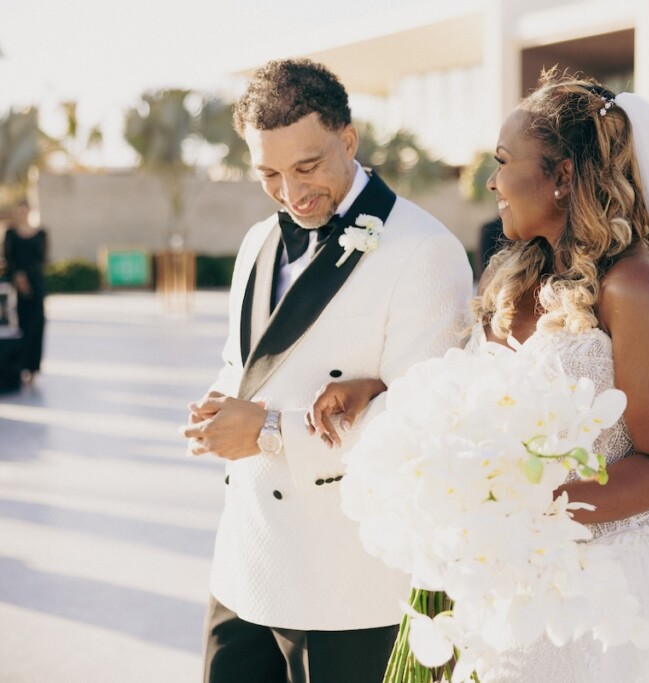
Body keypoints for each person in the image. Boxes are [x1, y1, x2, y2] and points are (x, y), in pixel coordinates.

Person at [180, 58, 473, 683]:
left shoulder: (425, 251)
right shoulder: (259, 241)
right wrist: (219, 404)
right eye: (269, 174)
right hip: (245, 561)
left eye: (307, 167)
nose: (292, 193)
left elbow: (423, 431)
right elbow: (244, 362)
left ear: (348, 139)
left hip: (348, 586)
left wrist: (269, 431)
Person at [468, 71, 649, 681]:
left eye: (504, 162)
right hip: (513, 580)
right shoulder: (520, 277)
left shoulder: (635, 287)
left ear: (562, 177)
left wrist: (526, 512)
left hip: (608, 596)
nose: (492, 181)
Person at [3, 199, 47, 386]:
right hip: (18, 287)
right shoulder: (11, 233)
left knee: (37, 325)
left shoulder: (41, 233)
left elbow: (42, 258)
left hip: (36, 285)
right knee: (21, 326)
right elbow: (8, 257)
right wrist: (18, 277)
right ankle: (20, 367)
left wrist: (28, 278)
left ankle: (33, 368)